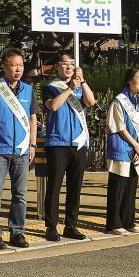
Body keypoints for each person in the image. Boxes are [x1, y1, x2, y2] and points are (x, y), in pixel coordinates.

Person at [0, 48, 39, 250]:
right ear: (4, 67)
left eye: (21, 65)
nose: (18, 69)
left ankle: (17, 232)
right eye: (14, 65)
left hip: (22, 150)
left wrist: (33, 144)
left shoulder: (28, 90)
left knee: (20, 195)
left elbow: (33, 119)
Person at [42, 51, 96, 241]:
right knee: (55, 186)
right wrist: (69, 89)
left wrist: (82, 81)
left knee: (75, 186)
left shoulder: (80, 87)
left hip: (79, 143)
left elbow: (91, 102)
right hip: (57, 143)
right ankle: (51, 226)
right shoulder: (50, 87)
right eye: (65, 63)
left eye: (72, 64)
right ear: (57, 66)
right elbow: (53, 106)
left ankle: (71, 225)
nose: (68, 67)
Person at [105, 67, 139, 235]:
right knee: (118, 187)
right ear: (129, 80)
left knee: (131, 187)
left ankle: (128, 221)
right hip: (121, 148)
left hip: (136, 149)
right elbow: (119, 127)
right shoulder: (119, 101)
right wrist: (135, 144)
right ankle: (114, 223)